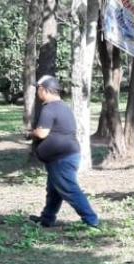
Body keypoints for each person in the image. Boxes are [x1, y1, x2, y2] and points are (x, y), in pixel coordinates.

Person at [27, 75, 100, 229]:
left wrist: (31, 133)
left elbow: (42, 133)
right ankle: (47, 219)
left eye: (38, 89)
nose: (37, 93)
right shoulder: (62, 106)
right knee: (54, 190)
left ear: (44, 90)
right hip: (65, 156)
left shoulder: (49, 108)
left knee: (69, 189)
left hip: (62, 158)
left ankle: (91, 220)